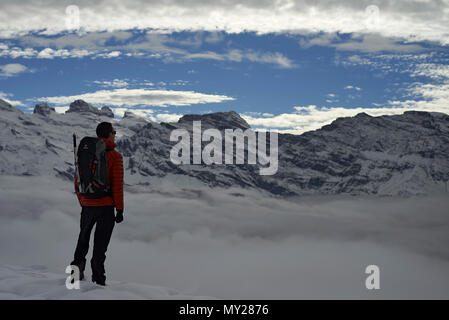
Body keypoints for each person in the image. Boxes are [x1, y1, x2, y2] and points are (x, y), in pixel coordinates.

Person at [70, 122, 124, 286]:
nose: (115, 135)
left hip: (87, 205)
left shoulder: (86, 152)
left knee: (82, 242)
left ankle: (73, 278)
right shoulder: (115, 156)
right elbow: (117, 185)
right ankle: (98, 282)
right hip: (105, 207)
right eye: (114, 132)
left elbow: (78, 179)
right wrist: (120, 210)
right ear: (108, 134)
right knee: (100, 247)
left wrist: (83, 201)